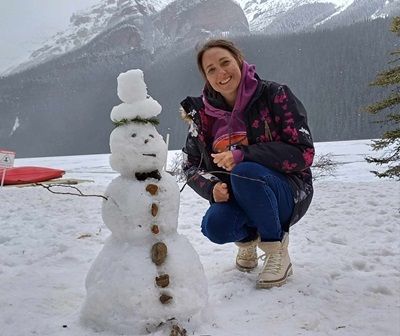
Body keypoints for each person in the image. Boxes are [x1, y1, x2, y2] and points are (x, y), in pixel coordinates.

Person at [180, 39, 314, 288]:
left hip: (286, 191)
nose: (221, 73)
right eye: (211, 70)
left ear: (239, 61)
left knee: (245, 172)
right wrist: (211, 188)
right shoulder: (202, 116)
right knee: (214, 226)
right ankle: (249, 239)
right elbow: (190, 166)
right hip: (236, 196)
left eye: (225, 62)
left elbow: (303, 153)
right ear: (206, 78)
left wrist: (244, 155)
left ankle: (276, 250)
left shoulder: (274, 95)